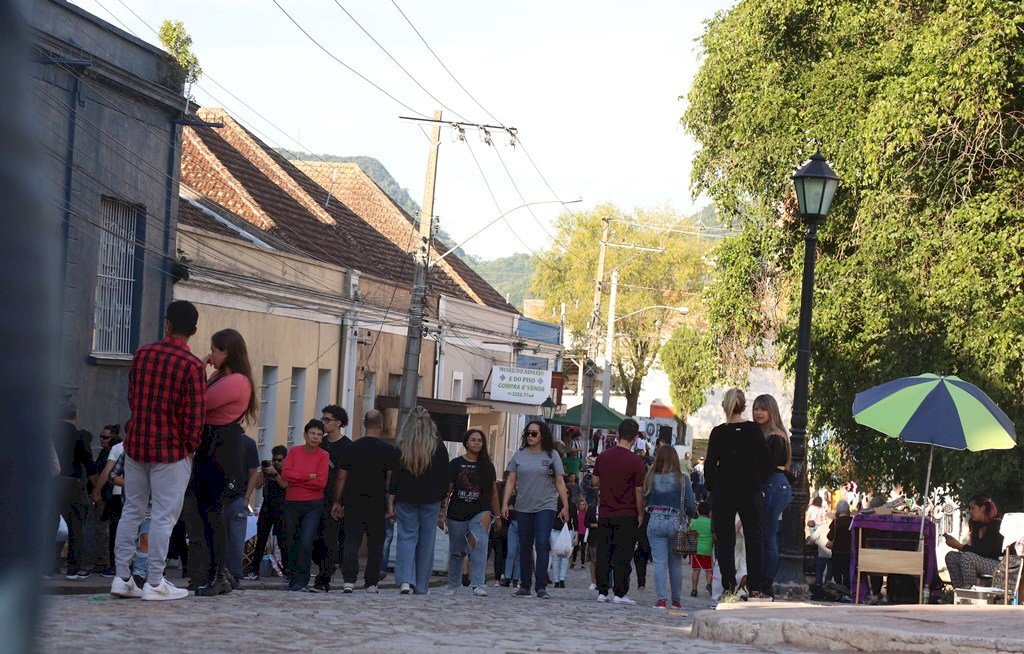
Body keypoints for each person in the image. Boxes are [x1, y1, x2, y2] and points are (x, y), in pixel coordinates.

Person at [110, 301, 206, 602]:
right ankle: (154, 582)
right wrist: (190, 449)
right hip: (171, 451)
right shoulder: (192, 366)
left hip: (137, 445)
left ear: (166, 324)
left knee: (132, 510)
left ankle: (122, 577)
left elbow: (132, 398)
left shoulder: (142, 355)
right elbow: (194, 416)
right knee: (164, 517)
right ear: (193, 331)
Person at [194, 328, 258, 598]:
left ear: (226, 352)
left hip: (221, 447)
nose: (211, 355)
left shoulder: (238, 381)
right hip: (211, 444)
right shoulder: (223, 376)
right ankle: (220, 572)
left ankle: (219, 574)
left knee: (214, 514)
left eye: (214, 350)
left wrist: (199, 370)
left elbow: (200, 401)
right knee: (207, 512)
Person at [704, 388, 772, 599]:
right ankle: (755, 587)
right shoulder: (753, 430)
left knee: (725, 540)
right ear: (743, 406)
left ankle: (728, 585)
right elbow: (766, 463)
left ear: (725, 406)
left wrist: (713, 486)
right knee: (754, 539)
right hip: (749, 490)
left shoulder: (718, 432)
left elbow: (709, 467)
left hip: (724, 491)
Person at [329, 410, 398, 593]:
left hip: (353, 500)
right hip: (377, 502)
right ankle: (371, 583)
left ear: (364, 424)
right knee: (376, 543)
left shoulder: (351, 448)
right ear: (381, 424)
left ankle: (349, 581)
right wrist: (391, 504)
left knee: (352, 541)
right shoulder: (388, 450)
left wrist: (337, 501)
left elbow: (341, 477)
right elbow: (390, 480)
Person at [501, 420, 570, 600]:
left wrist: (565, 505)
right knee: (524, 545)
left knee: (541, 543)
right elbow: (510, 481)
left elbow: (560, 481)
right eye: (528, 433)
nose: (530, 436)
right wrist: (504, 503)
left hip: (545, 505)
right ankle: (525, 585)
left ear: (542, 436)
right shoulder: (520, 455)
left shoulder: (551, 455)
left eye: (534, 433)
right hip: (523, 506)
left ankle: (541, 586)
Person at [389, 407, 450, 595]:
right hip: (431, 498)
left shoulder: (402, 444)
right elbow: (444, 476)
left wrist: (391, 500)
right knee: (427, 541)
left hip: (406, 497)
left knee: (406, 538)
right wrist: (442, 502)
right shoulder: (437, 445)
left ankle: (405, 581)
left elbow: (395, 476)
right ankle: (422, 584)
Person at [591, 418, 648, 605]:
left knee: (604, 552)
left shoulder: (604, 457)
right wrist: (640, 513)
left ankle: (602, 590)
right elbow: (639, 491)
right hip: (627, 512)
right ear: (634, 438)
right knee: (623, 554)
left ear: (617, 433)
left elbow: (595, 482)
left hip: (606, 511)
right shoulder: (637, 463)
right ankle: (620, 593)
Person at [440, 429, 500, 596]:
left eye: (479, 440)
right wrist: (442, 512)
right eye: (473, 440)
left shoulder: (487, 466)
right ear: (466, 442)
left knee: (479, 545)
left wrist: (498, 516)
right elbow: (448, 490)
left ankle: (478, 583)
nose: (476, 443)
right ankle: (453, 584)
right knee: (457, 550)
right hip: (457, 512)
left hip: (481, 511)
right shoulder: (455, 464)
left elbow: (493, 493)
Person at [644, 444, 696, 609]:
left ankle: (661, 600)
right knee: (675, 563)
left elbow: (646, 499)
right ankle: (676, 600)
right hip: (675, 521)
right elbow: (690, 504)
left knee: (659, 561)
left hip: (655, 519)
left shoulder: (650, 476)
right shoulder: (683, 479)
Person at [281, 420, 329, 592]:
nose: (315, 437)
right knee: (290, 539)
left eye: (318, 435)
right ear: (305, 435)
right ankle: (292, 578)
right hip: (292, 501)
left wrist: (299, 479)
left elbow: (321, 482)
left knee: (306, 540)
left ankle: (302, 580)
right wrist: (308, 476)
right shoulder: (294, 452)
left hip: (313, 504)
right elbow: (286, 474)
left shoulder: (323, 456)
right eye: (312, 433)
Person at [752, 393, 792, 596]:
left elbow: (765, 467)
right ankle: (764, 582)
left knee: (767, 535)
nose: (759, 413)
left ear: (772, 411)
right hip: (775, 484)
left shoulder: (775, 436)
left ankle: (766, 584)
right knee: (766, 535)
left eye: (763, 409)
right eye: (756, 408)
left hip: (773, 485)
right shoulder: (767, 434)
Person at [56, 402, 98, 580]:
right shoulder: (79, 436)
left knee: (49, 524)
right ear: (76, 416)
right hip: (71, 482)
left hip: (50, 481)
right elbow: (89, 465)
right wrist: (96, 488)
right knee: (76, 525)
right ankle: (74, 568)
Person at [311, 404, 351, 592]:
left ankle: (323, 580)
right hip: (314, 496)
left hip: (334, 500)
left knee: (328, 539)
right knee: (312, 539)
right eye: (323, 419)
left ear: (338, 423)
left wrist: (341, 501)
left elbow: (347, 477)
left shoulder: (347, 447)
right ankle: (327, 567)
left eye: (327, 420)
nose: (323, 423)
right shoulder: (321, 442)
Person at [944, 496, 1005, 589]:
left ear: (983, 508)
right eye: (969, 509)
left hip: (999, 565)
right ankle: (960, 590)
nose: (970, 511)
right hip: (982, 561)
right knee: (951, 556)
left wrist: (959, 546)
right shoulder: (976, 526)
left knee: (967, 557)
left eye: (973, 508)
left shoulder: (996, 524)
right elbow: (976, 551)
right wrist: (957, 544)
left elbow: (984, 552)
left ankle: (970, 590)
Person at [247, 445, 289, 579]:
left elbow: (284, 484)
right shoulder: (268, 470)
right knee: (261, 539)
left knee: (282, 541)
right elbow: (258, 485)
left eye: (279, 460)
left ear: (285, 459)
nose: (276, 463)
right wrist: (263, 471)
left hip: (281, 507)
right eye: (274, 460)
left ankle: (287, 571)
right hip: (267, 506)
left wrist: (275, 473)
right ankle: (254, 570)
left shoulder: (287, 470)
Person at [91, 425, 124, 576]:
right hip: (133, 493)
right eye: (101, 437)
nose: (102, 440)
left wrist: (96, 490)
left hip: (118, 493)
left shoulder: (117, 448)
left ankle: (116, 565)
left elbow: (106, 472)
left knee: (116, 530)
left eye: (105, 437)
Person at [827, 500, 853, 587]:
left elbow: (830, 536)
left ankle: (839, 589)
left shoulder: (835, 522)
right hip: (850, 552)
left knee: (837, 572)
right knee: (847, 573)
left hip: (837, 551)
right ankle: (847, 590)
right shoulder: (853, 521)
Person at [690, 501, 714, 597]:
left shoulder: (693, 522)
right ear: (709, 512)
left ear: (698, 511)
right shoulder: (711, 522)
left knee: (696, 570)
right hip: (707, 549)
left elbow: (690, 533)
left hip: (696, 550)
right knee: (708, 570)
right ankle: (709, 585)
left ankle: (694, 590)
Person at [549, 497, 571, 588]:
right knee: (555, 556)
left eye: (567, 493)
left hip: (567, 531)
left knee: (565, 556)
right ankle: (556, 580)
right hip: (555, 531)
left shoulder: (571, 505)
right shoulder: (554, 504)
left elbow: (574, 521)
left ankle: (562, 579)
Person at [571, 499, 588, 569]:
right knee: (575, 548)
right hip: (578, 533)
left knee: (583, 549)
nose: (582, 506)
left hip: (584, 533)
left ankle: (583, 563)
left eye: (583, 505)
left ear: (585, 505)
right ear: (578, 505)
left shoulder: (587, 513)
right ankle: (573, 562)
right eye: (580, 504)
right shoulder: (577, 513)